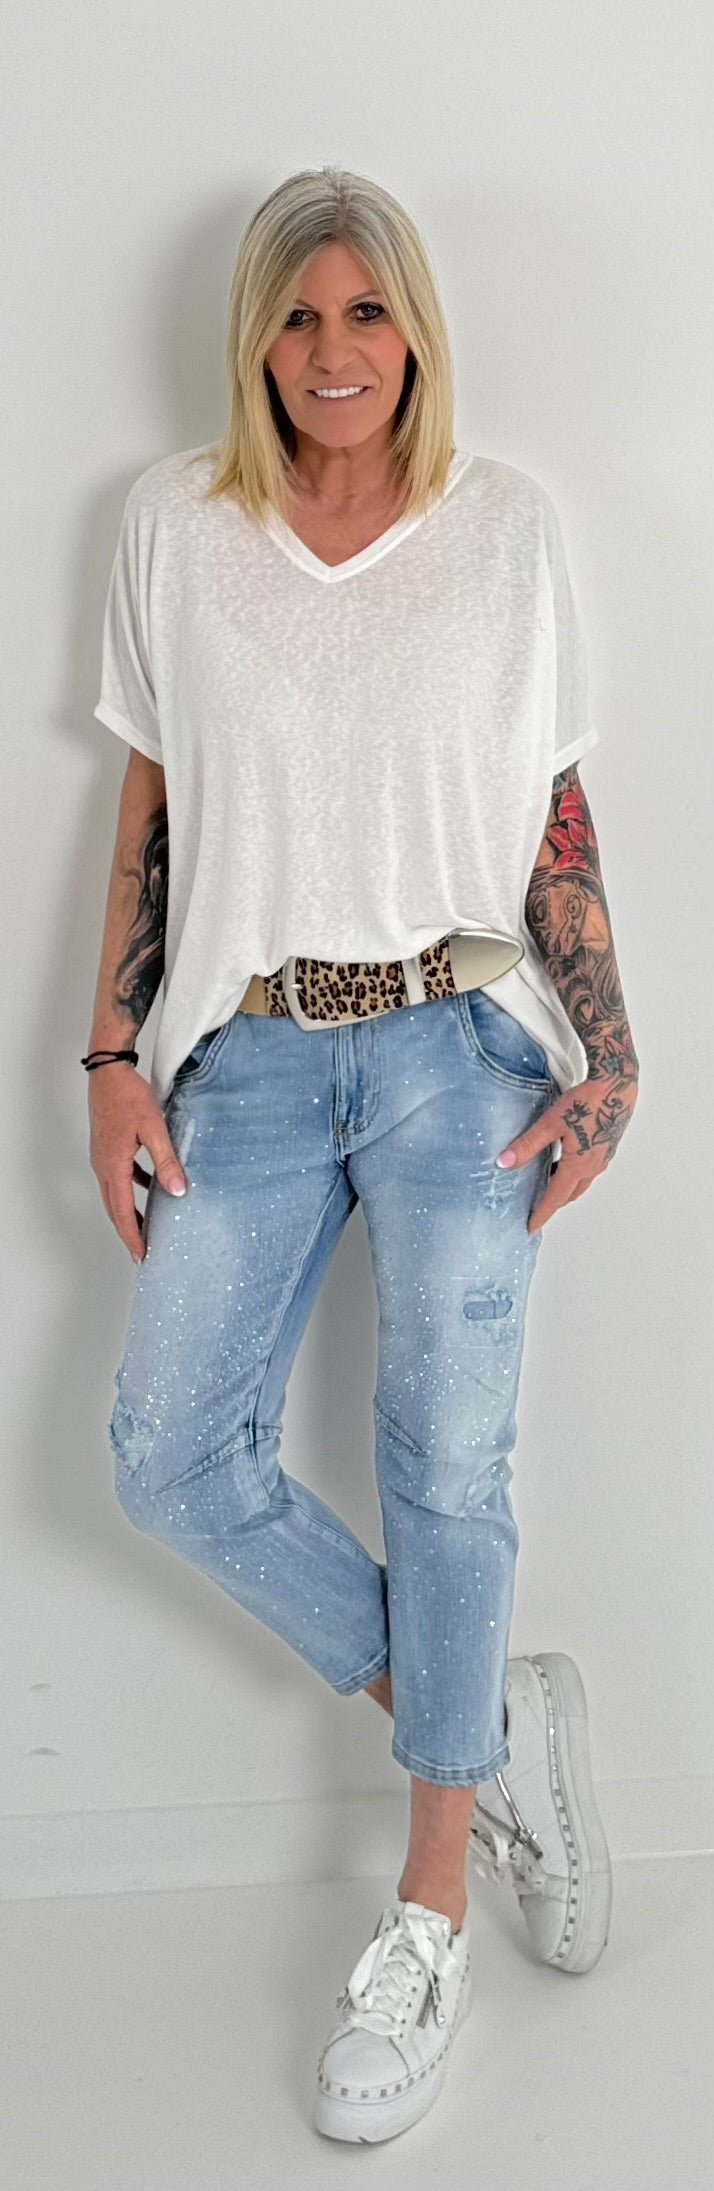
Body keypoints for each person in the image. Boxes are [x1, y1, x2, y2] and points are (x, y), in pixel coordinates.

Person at [85, 165, 640, 2146]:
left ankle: (426, 1911)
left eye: (367, 312)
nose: (333, 352)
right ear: (258, 337)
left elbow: (552, 804)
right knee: (168, 1457)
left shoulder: (505, 527)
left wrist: (612, 1050)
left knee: (445, 1465)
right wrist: (109, 1050)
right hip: (241, 1053)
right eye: (300, 316)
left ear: (415, 329)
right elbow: (151, 801)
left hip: (460, 1044)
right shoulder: (175, 523)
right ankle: (488, 1728)